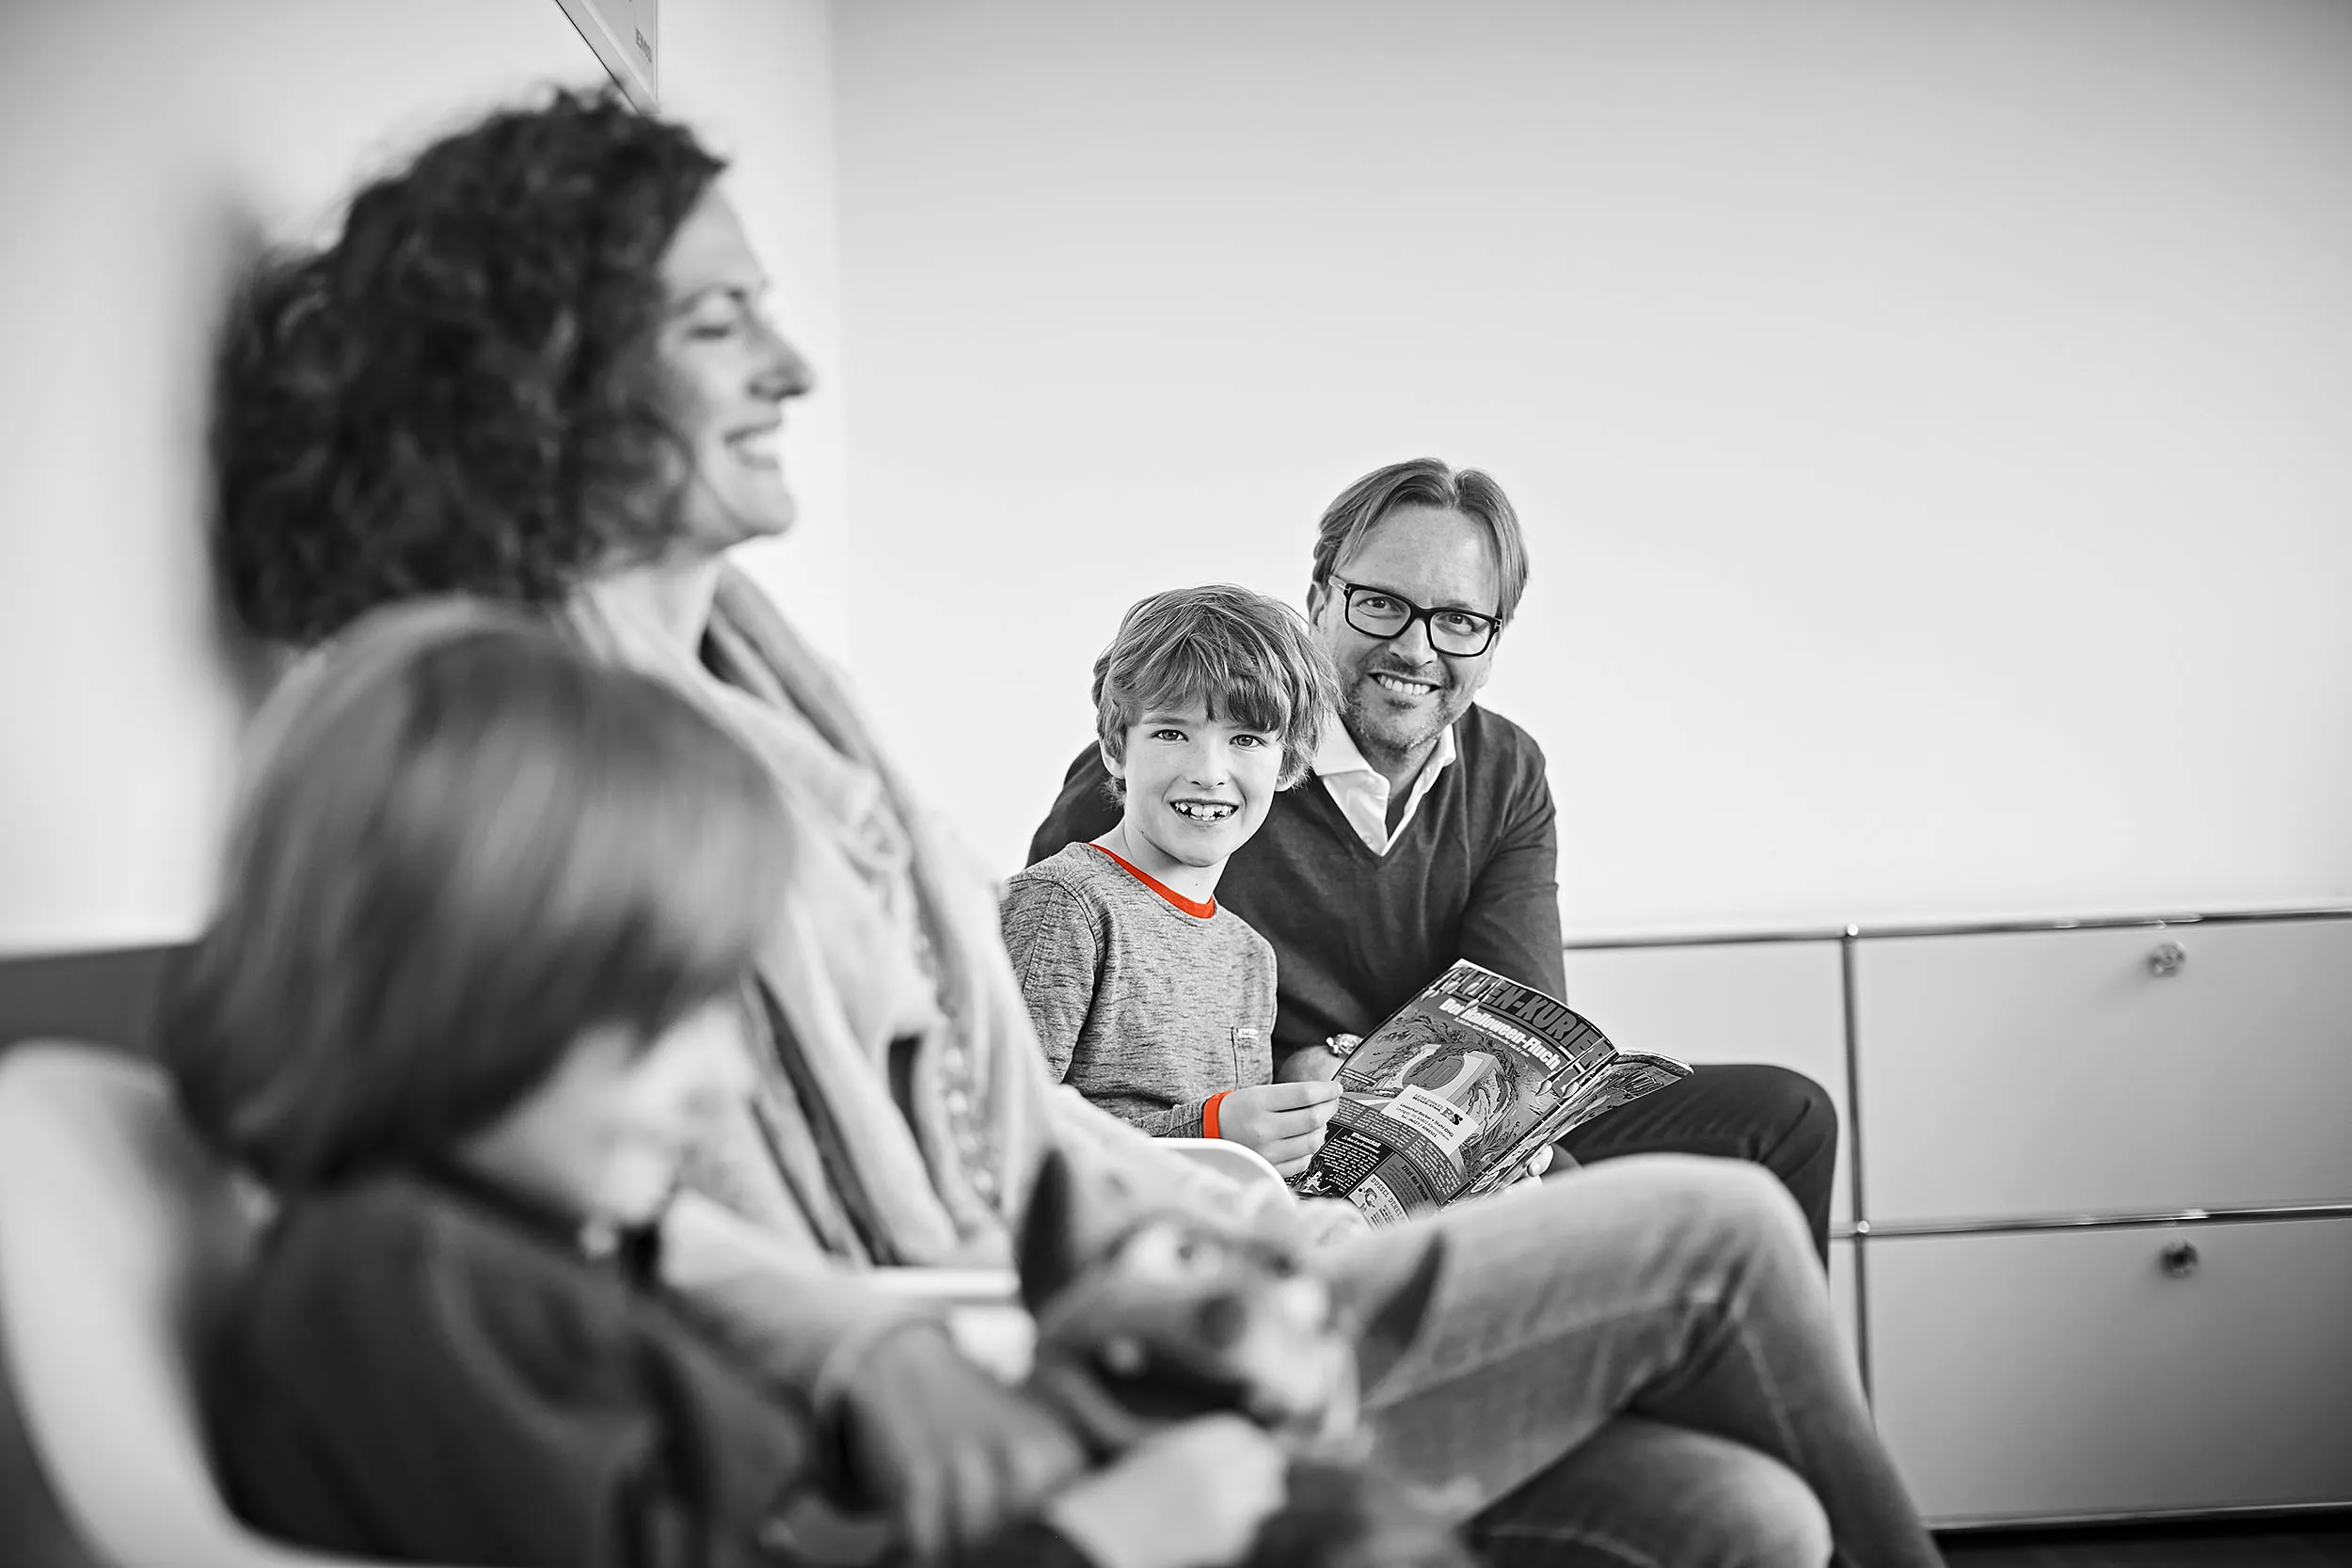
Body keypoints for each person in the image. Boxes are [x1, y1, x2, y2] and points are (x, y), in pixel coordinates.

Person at [211, 87, 1944, 1567]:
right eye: (722, 318)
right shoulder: (551, 762)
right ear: (552, 373)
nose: (795, 365)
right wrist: (1211, 1206)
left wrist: (1254, 1223)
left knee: (1742, 1510)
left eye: (1460, 623)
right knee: (1720, 1235)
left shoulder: (776, 695)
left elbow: (1476, 1021)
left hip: (1165, 1244)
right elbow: (641, 1186)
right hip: (1009, 1334)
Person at [159, 600, 1286, 1568]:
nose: (723, 1075)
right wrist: (1097, 1542)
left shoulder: (543, 1236)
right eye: (661, 1016)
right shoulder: (403, 1292)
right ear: (442, 992)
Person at [1027, 460, 1844, 1261]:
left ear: (1493, 639)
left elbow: (1526, 1012)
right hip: (1277, 1130)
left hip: (1440, 1110)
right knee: (1554, 1219)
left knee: (1785, 1114)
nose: (1416, 648)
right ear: (1321, 602)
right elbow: (1075, 1017)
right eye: (1382, 604)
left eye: (1458, 620)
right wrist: (1285, 1077)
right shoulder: (1179, 777)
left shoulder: (1505, 771)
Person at [999, 585, 1347, 1177]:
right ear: (1115, 747)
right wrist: (1210, 1133)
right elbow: (1001, 1132)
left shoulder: (1250, 957)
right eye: (1170, 733)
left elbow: (1245, 1174)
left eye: (1246, 740)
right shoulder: (1064, 907)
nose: (1209, 773)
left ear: (1288, 764)